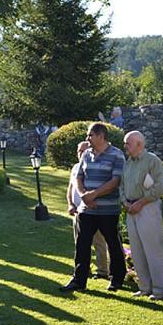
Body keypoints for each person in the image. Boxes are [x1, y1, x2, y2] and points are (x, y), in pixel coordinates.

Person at [61, 123, 128, 293]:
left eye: (90, 135)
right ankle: (79, 280)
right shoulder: (86, 154)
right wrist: (84, 195)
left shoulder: (116, 155)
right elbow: (78, 178)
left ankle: (117, 279)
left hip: (108, 210)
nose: (87, 138)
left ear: (101, 136)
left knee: (113, 244)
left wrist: (94, 194)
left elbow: (115, 181)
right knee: (82, 245)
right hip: (86, 210)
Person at [121, 131, 163, 299]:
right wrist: (125, 202)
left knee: (153, 249)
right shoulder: (128, 163)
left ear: (139, 144)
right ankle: (144, 287)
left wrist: (141, 203)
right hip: (131, 208)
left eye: (128, 143)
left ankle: (158, 290)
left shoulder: (152, 161)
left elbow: (160, 187)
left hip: (148, 207)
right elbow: (121, 185)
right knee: (137, 250)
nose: (125, 146)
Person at [67, 141, 109, 280]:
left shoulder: (94, 166)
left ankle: (102, 270)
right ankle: (83, 269)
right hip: (77, 212)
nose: (80, 153)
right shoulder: (75, 168)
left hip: (92, 211)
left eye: (83, 151)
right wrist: (70, 204)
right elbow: (71, 188)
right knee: (80, 243)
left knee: (98, 242)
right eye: (79, 151)